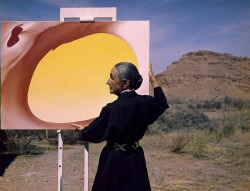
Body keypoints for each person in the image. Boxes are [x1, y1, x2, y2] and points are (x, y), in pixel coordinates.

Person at [71, 62, 169, 191]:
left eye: (112, 77)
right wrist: (153, 79)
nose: (108, 81)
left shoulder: (111, 109)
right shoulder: (146, 102)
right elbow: (161, 103)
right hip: (135, 159)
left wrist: (83, 131)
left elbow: (93, 133)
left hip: (114, 161)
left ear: (125, 83)